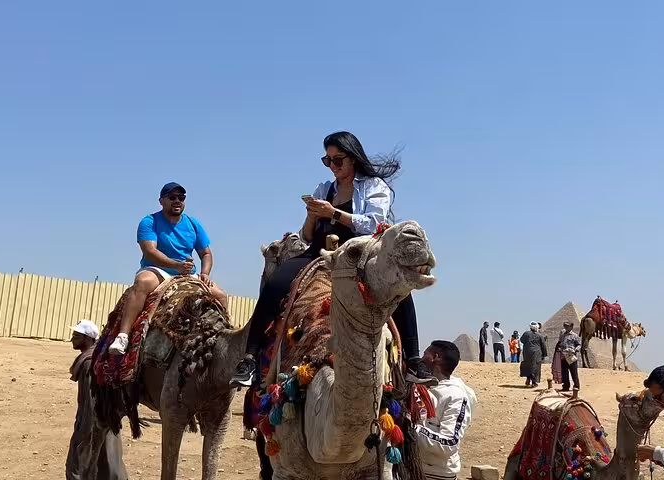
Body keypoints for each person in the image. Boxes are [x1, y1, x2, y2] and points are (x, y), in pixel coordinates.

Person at [230, 131, 436, 388]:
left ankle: (413, 361)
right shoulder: (324, 189)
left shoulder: (373, 187)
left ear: (354, 158)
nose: (333, 167)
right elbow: (306, 236)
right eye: (328, 161)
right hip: (318, 250)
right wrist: (312, 217)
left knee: (400, 287)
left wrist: (334, 213)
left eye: (338, 160)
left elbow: (374, 223)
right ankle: (249, 359)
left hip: (358, 252)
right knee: (275, 284)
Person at [109, 182, 230, 355]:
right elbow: (149, 251)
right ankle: (123, 336)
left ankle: (223, 339)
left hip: (187, 274)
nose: (177, 201)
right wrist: (175, 265)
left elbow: (206, 253)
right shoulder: (150, 222)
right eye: (172, 197)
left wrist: (204, 273)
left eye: (181, 198)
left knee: (220, 295)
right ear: (161, 201)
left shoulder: (193, 224)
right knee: (142, 282)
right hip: (158, 270)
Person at [66, 320, 128, 480]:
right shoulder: (96, 358)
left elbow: (91, 406)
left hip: (93, 425)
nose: (72, 339)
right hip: (107, 422)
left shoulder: (88, 364)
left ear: (88, 339)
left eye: (76, 336)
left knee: (82, 467)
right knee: (109, 465)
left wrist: (84, 433)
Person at [417, 340, 477, 480]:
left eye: (425, 353)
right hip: (418, 467)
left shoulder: (456, 396)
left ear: (436, 357)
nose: (421, 358)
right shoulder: (425, 386)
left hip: (437, 473)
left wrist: (413, 429)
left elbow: (449, 444)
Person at [556, 321, 581, 392]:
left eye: (567, 326)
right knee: (564, 373)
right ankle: (566, 386)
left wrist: (575, 350)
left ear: (571, 327)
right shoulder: (562, 335)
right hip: (563, 357)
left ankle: (576, 386)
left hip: (571, 356)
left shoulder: (575, 335)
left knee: (574, 372)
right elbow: (560, 343)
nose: (565, 327)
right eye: (565, 326)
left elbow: (579, 344)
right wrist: (559, 348)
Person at [520, 322, 547, 387]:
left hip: (527, 352)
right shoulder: (540, 335)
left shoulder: (526, 333)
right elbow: (543, 345)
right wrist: (544, 354)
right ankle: (534, 382)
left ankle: (528, 379)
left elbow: (522, 340)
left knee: (528, 365)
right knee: (535, 367)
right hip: (536, 352)